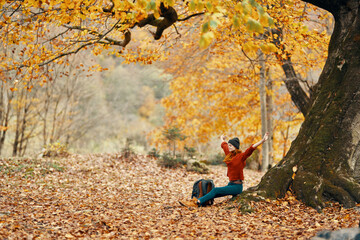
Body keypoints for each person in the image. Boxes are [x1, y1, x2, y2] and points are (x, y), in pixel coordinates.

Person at [179, 132, 269, 207]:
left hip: (237, 187)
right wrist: (222, 138)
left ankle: (196, 203)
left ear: (235, 147)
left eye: (231, 145)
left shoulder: (241, 157)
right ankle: (199, 201)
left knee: (215, 190)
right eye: (229, 145)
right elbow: (223, 144)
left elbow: (251, 149)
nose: (229, 147)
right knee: (212, 192)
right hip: (230, 184)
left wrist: (263, 140)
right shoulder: (229, 154)